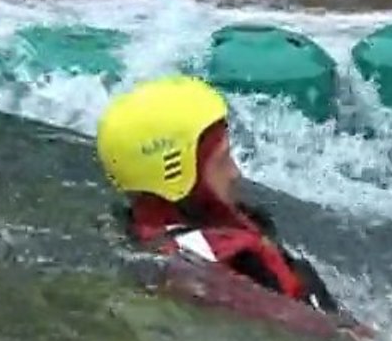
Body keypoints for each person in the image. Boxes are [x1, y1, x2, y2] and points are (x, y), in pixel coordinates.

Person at [96, 74, 340, 314]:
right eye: (222, 160)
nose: (235, 172)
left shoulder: (129, 232)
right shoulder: (232, 265)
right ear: (177, 174)